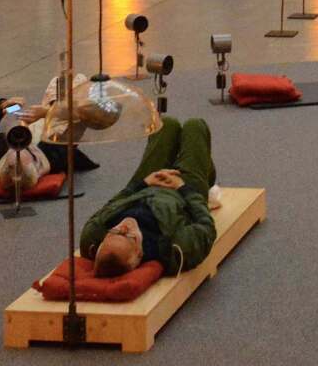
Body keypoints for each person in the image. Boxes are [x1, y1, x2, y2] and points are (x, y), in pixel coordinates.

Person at [80, 116, 222, 278]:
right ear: (139, 254)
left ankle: (203, 166)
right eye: (128, 236)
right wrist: (183, 187)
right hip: (183, 191)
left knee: (166, 124)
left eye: (115, 231)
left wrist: (143, 183)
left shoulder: (91, 238)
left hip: (144, 187)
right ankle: (205, 173)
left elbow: (112, 204)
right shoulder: (174, 248)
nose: (124, 226)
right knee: (195, 126)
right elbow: (205, 227)